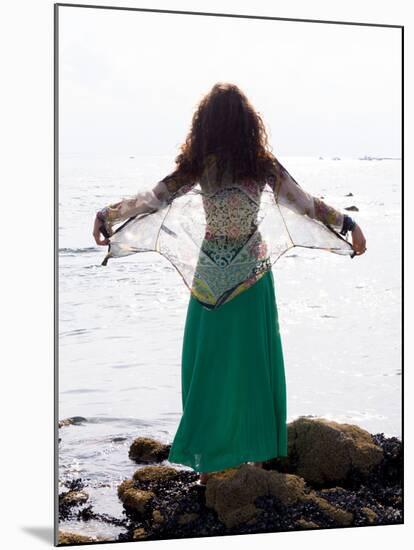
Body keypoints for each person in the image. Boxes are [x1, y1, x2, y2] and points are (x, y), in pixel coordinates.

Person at [93, 82, 366, 485]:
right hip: (252, 276)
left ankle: (208, 462)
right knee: (252, 365)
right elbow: (305, 204)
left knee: (210, 367)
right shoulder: (261, 164)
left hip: (210, 279)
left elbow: (152, 199)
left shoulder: (199, 165)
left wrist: (107, 215)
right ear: (248, 123)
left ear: (204, 124)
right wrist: (349, 224)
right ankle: (251, 459)